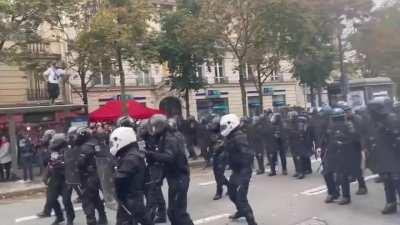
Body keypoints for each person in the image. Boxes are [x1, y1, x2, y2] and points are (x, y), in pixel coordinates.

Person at [145, 114, 194, 225]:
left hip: (180, 177)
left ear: (160, 126)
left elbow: (169, 157)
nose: (153, 129)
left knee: (179, 213)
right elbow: (165, 161)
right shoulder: (164, 136)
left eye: (154, 126)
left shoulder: (170, 138)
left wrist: (152, 154)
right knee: (172, 212)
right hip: (174, 178)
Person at [109, 127, 154, 225]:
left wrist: (111, 177)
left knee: (128, 221)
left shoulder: (131, 158)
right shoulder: (131, 154)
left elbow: (120, 177)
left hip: (130, 197)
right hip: (132, 196)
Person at [220, 114, 258, 225]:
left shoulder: (239, 137)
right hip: (236, 170)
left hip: (243, 171)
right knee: (232, 193)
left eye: (224, 127)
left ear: (231, 125)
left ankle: (252, 221)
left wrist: (244, 168)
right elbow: (228, 150)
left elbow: (248, 154)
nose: (223, 129)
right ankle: (241, 211)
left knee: (241, 197)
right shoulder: (230, 136)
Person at [319, 108, 362, 205]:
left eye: (338, 118)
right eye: (335, 119)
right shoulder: (329, 126)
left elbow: (355, 138)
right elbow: (325, 138)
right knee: (326, 173)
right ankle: (333, 193)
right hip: (331, 152)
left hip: (344, 152)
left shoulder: (349, 125)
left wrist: (343, 142)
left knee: (342, 175)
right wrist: (322, 147)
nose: (337, 121)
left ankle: (346, 196)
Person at [366, 97, 400, 214]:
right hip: (383, 155)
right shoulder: (375, 121)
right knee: (387, 180)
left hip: (395, 156)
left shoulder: (392, 119)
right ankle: (391, 203)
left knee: (397, 181)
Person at [75, 127, 108, 225]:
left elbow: (81, 163)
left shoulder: (85, 147)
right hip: (101, 174)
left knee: (87, 200)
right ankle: (103, 218)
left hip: (89, 177)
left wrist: (76, 163)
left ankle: (91, 220)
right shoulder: (97, 143)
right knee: (96, 198)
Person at [138, 119, 167, 224]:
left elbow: (156, 152)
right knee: (156, 190)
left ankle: (150, 216)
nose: (141, 130)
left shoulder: (154, 137)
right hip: (151, 165)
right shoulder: (143, 138)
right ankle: (162, 213)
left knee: (153, 190)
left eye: (142, 128)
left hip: (157, 166)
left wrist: (147, 153)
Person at [45, 133, 75, 225]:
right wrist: (46, 175)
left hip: (65, 179)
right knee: (51, 199)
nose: (53, 143)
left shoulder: (68, 150)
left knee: (66, 200)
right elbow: (49, 163)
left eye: (55, 142)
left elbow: (71, 164)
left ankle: (70, 218)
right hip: (55, 177)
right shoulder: (52, 150)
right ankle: (59, 217)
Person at [287, 114, 315, 179]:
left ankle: (302, 172)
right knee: (299, 157)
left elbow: (301, 133)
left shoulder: (301, 124)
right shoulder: (293, 124)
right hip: (295, 143)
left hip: (300, 143)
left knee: (300, 158)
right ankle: (300, 171)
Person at [207, 116, 229, 200]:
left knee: (219, 174)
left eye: (215, 124)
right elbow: (210, 144)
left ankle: (219, 192)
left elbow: (224, 144)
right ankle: (230, 185)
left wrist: (220, 144)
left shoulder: (224, 132)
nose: (214, 125)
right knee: (217, 175)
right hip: (215, 155)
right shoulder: (212, 132)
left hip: (222, 155)